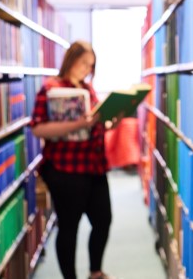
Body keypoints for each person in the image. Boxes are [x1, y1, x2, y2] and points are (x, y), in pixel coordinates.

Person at [30, 41, 115, 279]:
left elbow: (95, 122)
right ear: (71, 60)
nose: (87, 69)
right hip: (65, 169)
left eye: (91, 65)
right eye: (83, 63)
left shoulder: (88, 89)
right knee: (69, 226)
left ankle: (95, 272)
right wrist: (79, 124)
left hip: (94, 166)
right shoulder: (51, 89)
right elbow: (38, 129)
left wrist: (108, 121)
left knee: (103, 219)